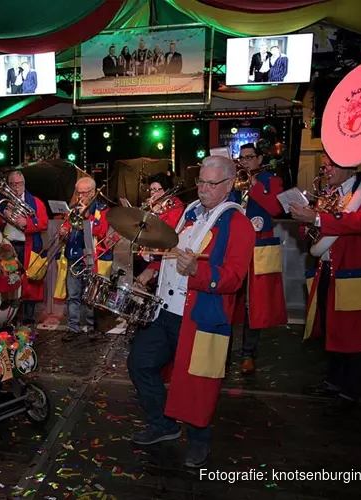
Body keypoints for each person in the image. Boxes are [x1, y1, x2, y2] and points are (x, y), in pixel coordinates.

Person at [129, 156, 254, 466]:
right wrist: (153, 270)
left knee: (197, 382)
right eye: (201, 182)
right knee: (140, 363)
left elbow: (234, 278)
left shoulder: (238, 223)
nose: (204, 189)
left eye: (212, 184)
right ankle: (164, 424)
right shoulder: (188, 214)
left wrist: (198, 272)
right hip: (166, 310)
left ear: (228, 186)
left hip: (200, 316)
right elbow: (173, 250)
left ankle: (200, 440)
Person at [290, 157, 361, 413]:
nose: (326, 169)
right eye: (324, 165)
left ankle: (350, 390)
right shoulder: (330, 194)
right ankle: (333, 381)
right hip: (327, 269)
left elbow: (359, 222)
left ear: (350, 167)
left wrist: (317, 219)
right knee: (331, 329)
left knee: (352, 333)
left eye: (331, 165)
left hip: (353, 273)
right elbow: (314, 232)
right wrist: (306, 222)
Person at [233, 143, 287, 374]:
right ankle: (222, 353)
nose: (245, 162)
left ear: (260, 158)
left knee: (252, 305)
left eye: (249, 157)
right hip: (235, 246)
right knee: (230, 298)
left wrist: (254, 184)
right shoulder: (235, 179)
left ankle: (248, 354)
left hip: (259, 246)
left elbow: (275, 208)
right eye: (242, 158)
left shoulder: (270, 180)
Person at [0, 170, 49, 327]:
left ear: (24, 184)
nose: (16, 188)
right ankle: (9, 319)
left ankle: (28, 320)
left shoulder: (35, 202)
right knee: (9, 280)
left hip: (28, 246)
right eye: (13, 184)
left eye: (19, 184)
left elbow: (43, 223)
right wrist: (4, 216)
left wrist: (26, 223)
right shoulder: (0, 203)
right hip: (9, 248)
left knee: (30, 283)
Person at [58, 177, 112, 342]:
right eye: (78, 193)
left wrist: (88, 216)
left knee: (89, 296)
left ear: (93, 192)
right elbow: (67, 226)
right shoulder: (73, 209)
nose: (80, 196)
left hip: (91, 256)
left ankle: (90, 327)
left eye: (83, 193)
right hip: (74, 254)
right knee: (73, 295)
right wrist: (64, 232)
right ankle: (73, 328)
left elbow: (102, 231)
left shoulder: (102, 210)